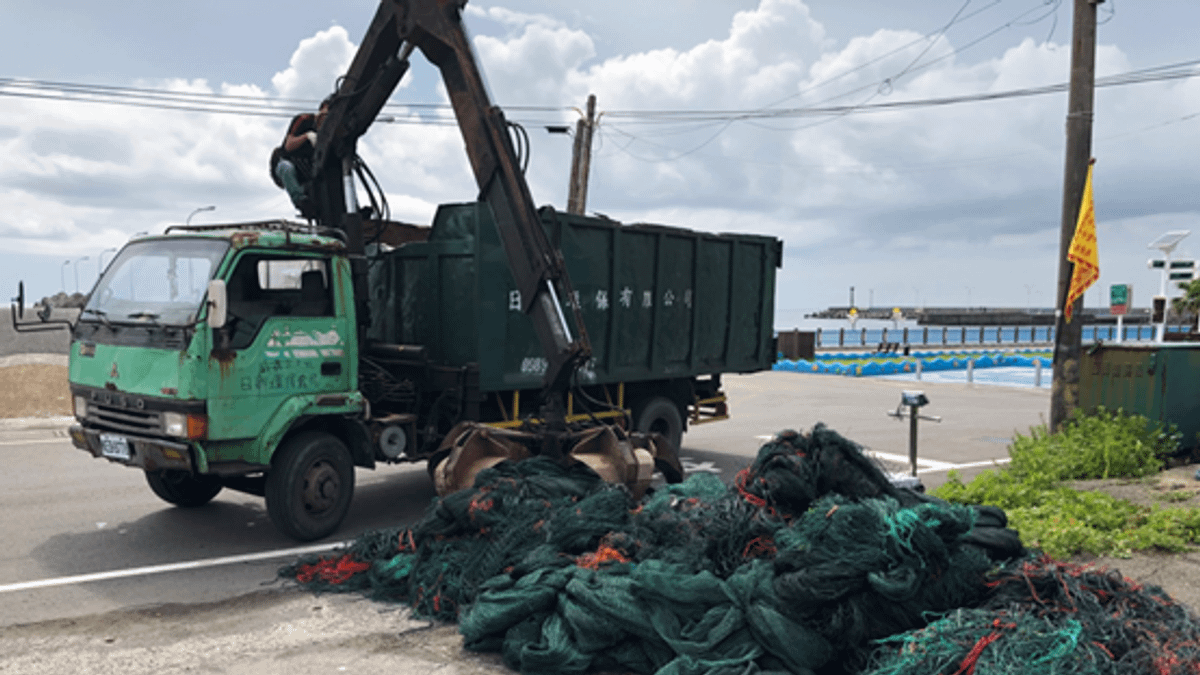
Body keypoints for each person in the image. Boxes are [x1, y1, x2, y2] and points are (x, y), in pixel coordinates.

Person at [271, 96, 331, 218]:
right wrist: (306, 136)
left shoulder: (330, 131)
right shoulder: (304, 120)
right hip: (291, 169)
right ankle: (301, 202)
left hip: (308, 173)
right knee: (286, 167)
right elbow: (289, 145)